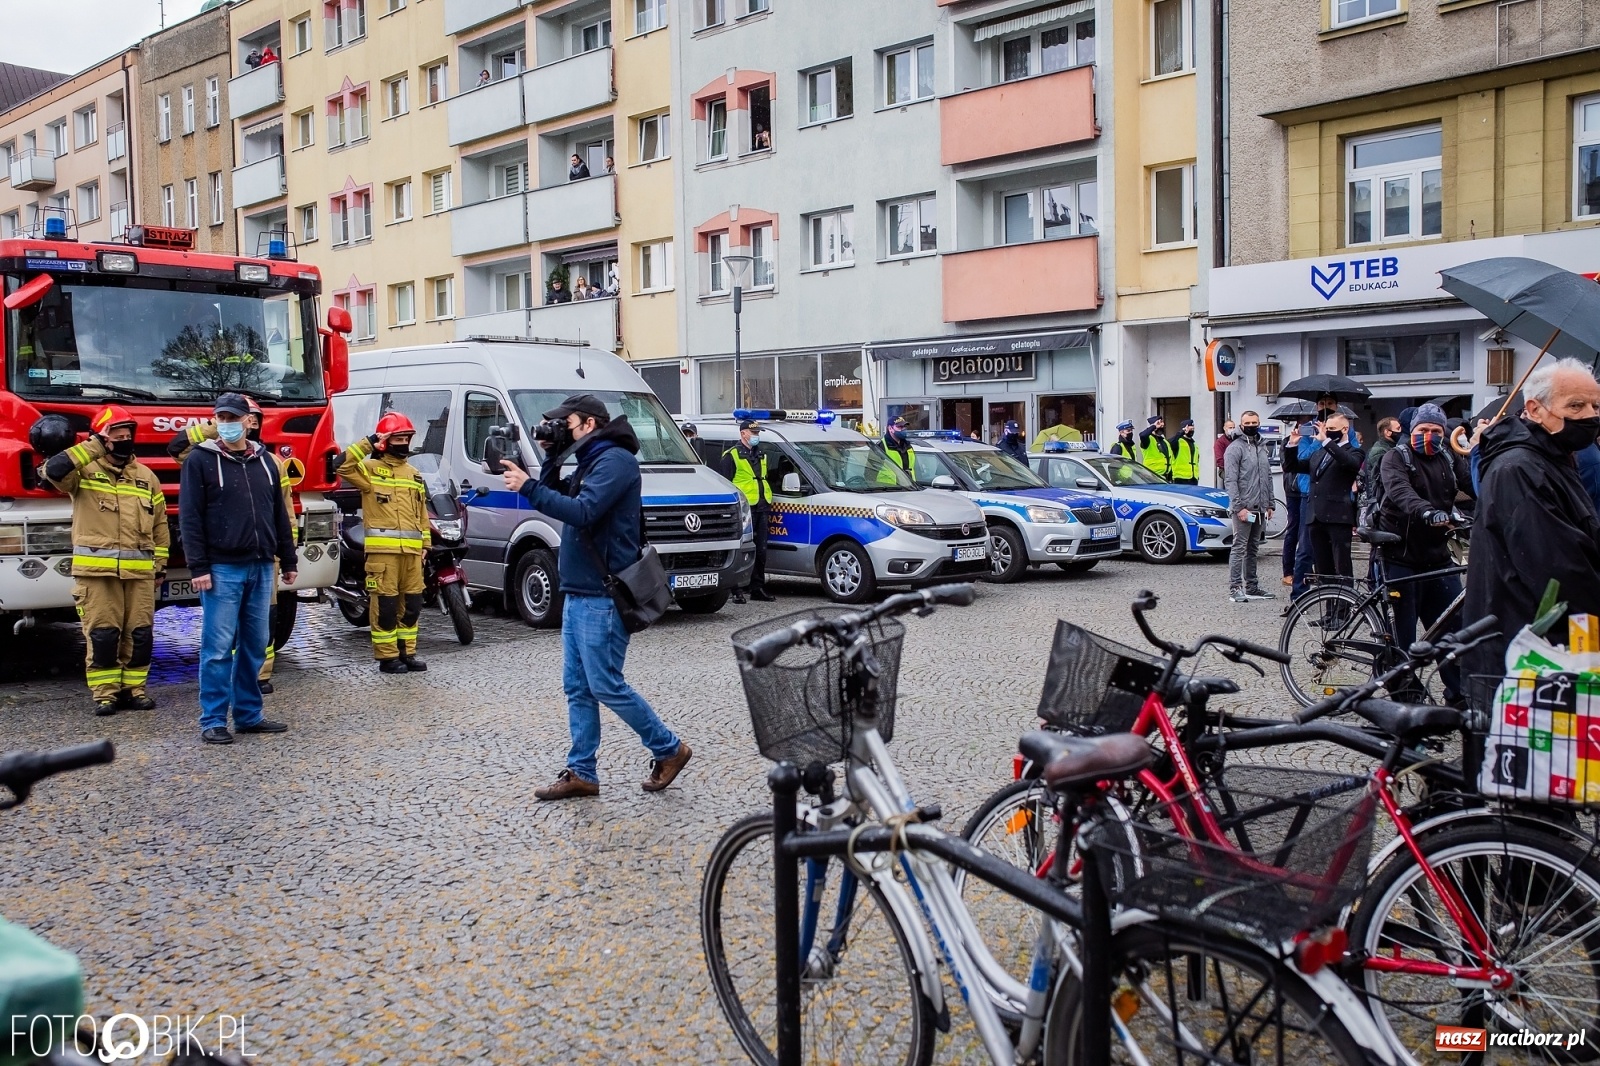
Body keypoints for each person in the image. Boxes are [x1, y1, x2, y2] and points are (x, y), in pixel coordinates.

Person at [498, 394, 692, 800]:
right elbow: (560, 498)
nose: (559, 429)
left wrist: (528, 486)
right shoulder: (589, 459)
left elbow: (582, 511)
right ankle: (582, 773)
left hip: (602, 596)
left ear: (588, 424)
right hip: (580, 592)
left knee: (605, 684)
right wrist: (551, 456)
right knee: (578, 687)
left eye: (564, 424)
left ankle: (669, 749)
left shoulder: (614, 462)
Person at [1466, 358, 1600, 688]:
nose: (1590, 415)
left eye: (1596, 405)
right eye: (1576, 405)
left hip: (1544, 651)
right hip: (1523, 658)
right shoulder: (1520, 468)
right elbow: (1560, 569)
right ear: (1535, 409)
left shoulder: (1554, 458)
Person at [179, 393, 296, 745]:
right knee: (217, 647)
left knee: (256, 644)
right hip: (222, 568)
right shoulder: (200, 460)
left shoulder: (266, 462)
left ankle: (248, 715)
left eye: (233, 417)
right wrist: (198, 566)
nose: (226, 423)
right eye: (221, 417)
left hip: (261, 566)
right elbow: (190, 517)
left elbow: (278, 514)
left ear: (249, 421)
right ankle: (213, 720)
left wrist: (288, 559)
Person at [43, 406, 169, 715]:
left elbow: (160, 525)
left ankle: (135, 690)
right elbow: (53, 471)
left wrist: (161, 566)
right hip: (96, 575)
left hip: (139, 576)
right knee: (103, 636)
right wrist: (94, 446)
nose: (125, 440)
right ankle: (106, 694)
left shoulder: (146, 477)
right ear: (100, 438)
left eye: (128, 436)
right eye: (117, 435)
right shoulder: (82, 473)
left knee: (139, 636)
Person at [1375, 403, 1462, 695]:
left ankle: (1459, 694)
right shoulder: (1395, 457)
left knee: (1451, 629)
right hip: (1400, 555)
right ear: (1412, 430)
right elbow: (1400, 491)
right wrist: (1426, 511)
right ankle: (1404, 690)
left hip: (1437, 556)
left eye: (1436, 431)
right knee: (1404, 633)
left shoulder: (1447, 458)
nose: (1429, 435)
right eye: (1423, 430)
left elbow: (1474, 485)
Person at [339, 412, 430, 674]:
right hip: (383, 556)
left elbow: (421, 512)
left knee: (412, 606)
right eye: (397, 438)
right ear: (386, 441)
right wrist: (370, 442)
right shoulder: (369, 470)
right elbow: (341, 465)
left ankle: (407, 652)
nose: (403, 442)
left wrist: (425, 544)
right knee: (386, 608)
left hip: (412, 555)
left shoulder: (414, 474)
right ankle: (388, 657)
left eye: (406, 438)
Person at [1305, 412, 1365, 588]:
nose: (1328, 432)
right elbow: (1296, 466)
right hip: (1316, 516)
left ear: (1345, 429)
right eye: (1327, 428)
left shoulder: (1354, 451)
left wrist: (1326, 441)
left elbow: (1349, 463)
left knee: (1342, 566)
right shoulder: (1320, 452)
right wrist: (1291, 446)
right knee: (1323, 568)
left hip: (1338, 516)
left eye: (1332, 429)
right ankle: (1329, 611)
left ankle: (1344, 611)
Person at [719, 419, 775, 603]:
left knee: (761, 549)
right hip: (742, 510)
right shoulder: (732, 455)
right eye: (753, 433)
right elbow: (725, 486)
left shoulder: (761, 455)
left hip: (761, 506)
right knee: (740, 548)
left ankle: (757, 587)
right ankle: (736, 590)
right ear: (743, 433)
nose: (756, 436)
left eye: (758, 433)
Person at [1223, 411, 1276, 603]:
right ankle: (1235, 588)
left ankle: (1252, 587)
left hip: (1260, 508)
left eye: (1255, 422)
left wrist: (1270, 503)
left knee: (1253, 548)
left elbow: (1267, 476)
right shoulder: (1234, 448)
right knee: (1239, 547)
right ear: (1241, 424)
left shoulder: (1261, 446)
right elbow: (1230, 480)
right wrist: (1239, 508)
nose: (1252, 425)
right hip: (1244, 508)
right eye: (1248, 422)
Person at [881, 416, 916, 481]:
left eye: (904, 427)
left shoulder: (908, 447)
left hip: (909, 488)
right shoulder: (881, 447)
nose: (903, 429)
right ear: (890, 428)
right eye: (899, 427)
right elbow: (870, 472)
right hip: (887, 489)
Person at [1138, 415, 1172, 480]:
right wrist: (1154, 426)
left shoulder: (1164, 440)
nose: (1162, 425)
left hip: (1165, 476)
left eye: (1162, 422)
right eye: (1159, 423)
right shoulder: (1148, 439)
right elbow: (1142, 435)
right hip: (1151, 476)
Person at [1169, 419, 1200, 484]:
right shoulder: (1178, 441)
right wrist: (1182, 432)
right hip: (1180, 477)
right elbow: (1169, 442)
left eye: (1193, 429)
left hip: (1193, 478)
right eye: (1190, 429)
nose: (1192, 431)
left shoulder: (1194, 444)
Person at [1214, 420, 1236, 484]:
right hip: (1225, 469)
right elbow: (1219, 458)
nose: (1232, 429)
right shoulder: (1220, 442)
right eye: (1230, 428)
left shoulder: (1236, 439)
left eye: (1233, 427)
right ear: (1224, 428)